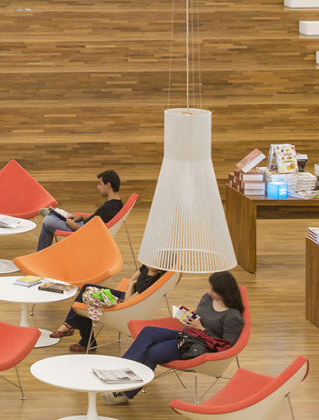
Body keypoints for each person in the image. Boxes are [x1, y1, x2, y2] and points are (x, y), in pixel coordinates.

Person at [103, 271, 245, 405]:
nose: (210, 292)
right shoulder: (207, 298)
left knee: (153, 352)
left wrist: (202, 329)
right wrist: (188, 318)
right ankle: (121, 371)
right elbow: (199, 315)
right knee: (148, 332)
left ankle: (126, 392)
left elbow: (225, 346)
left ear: (225, 292)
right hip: (187, 334)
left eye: (214, 290)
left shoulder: (233, 316)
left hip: (199, 345)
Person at [50, 264, 166, 352]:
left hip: (127, 302)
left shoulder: (149, 282)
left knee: (84, 303)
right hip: (126, 295)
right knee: (87, 288)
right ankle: (76, 332)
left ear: (160, 267)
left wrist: (131, 286)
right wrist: (131, 284)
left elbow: (128, 300)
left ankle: (73, 330)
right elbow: (131, 279)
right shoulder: (146, 267)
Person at [36, 169, 124, 252]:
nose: (97, 187)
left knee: (47, 221)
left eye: (100, 184)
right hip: (83, 226)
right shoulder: (115, 204)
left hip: (82, 231)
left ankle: (54, 215)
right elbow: (97, 220)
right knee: (51, 220)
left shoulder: (110, 208)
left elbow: (96, 233)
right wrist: (81, 217)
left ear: (108, 185)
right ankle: (56, 214)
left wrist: (75, 226)